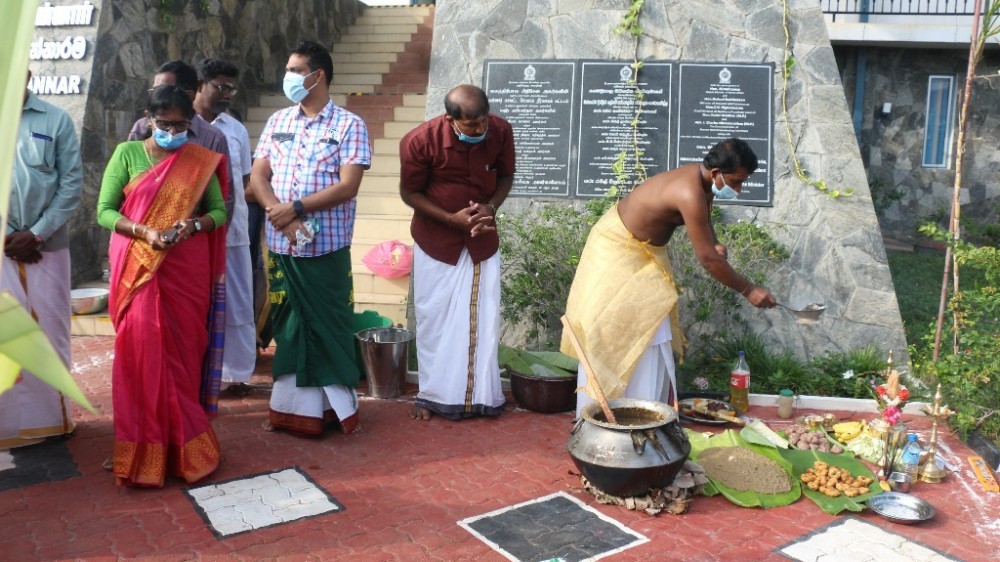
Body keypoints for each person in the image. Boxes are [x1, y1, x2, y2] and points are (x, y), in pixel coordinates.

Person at [561, 138, 777, 417]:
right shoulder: (689, 192)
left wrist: (715, 240)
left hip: (644, 253)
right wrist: (748, 290)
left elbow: (705, 219)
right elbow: (709, 261)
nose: (738, 189)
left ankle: (646, 414)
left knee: (653, 329)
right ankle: (601, 416)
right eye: (735, 182)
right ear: (716, 173)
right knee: (621, 330)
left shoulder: (704, 182)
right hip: (617, 251)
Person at [97, 85, 228, 487]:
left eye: (182, 125)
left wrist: (192, 225)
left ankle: (183, 450)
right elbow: (104, 211)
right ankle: (140, 448)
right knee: (140, 356)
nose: (174, 132)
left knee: (182, 358)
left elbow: (219, 212)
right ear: (148, 119)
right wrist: (143, 231)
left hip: (185, 271)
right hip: (139, 268)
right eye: (165, 124)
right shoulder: (128, 154)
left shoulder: (199, 161)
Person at [250, 40, 371, 437]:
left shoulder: (349, 125)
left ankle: (333, 410)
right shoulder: (278, 121)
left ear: (318, 76)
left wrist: (297, 208)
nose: (288, 76)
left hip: (325, 247)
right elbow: (258, 177)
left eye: (295, 69)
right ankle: (290, 411)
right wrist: (279, 214)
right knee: (289, 327)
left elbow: (347, 186)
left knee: (327, 324)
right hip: (282, 244)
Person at [399, 84, 515, 421]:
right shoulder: (419, 140)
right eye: (471, 125)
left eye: (484, 122)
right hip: (435, 242)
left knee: (482, 318)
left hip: (480, 241)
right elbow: (410, 193)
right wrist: (452, 220)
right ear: (451, 120)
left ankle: (480, 397)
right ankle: (431, 395)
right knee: (432, 317)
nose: (480, 130)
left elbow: (506, 175)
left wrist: (490, 207)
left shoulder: (501, 131)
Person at [0, 71, 82, 449]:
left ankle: (52, 421)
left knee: (50, 332)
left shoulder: (56, 118)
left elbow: (70, 185)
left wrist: (36, 234)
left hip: (46, 245)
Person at [193, 58, 256, 394]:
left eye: (232, 88)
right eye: (221, 87)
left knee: (238, 300)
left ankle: (236, 374)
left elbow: (245, 180)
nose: (228, 94)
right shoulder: (179, 126)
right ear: (201, 85)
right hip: (188, 232)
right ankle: (195, 368)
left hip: (232, 232)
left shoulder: (236, 129)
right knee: (195, 300)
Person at [127, 60, 234, 220]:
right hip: (140, 233)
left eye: (163, 90)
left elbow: (225, 199)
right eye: (154, 90)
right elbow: (121, 196)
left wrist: (200, 232)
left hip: (190, 237)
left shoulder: (213, 138)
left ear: (189, 95)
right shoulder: (142, 128)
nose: (157, 96)